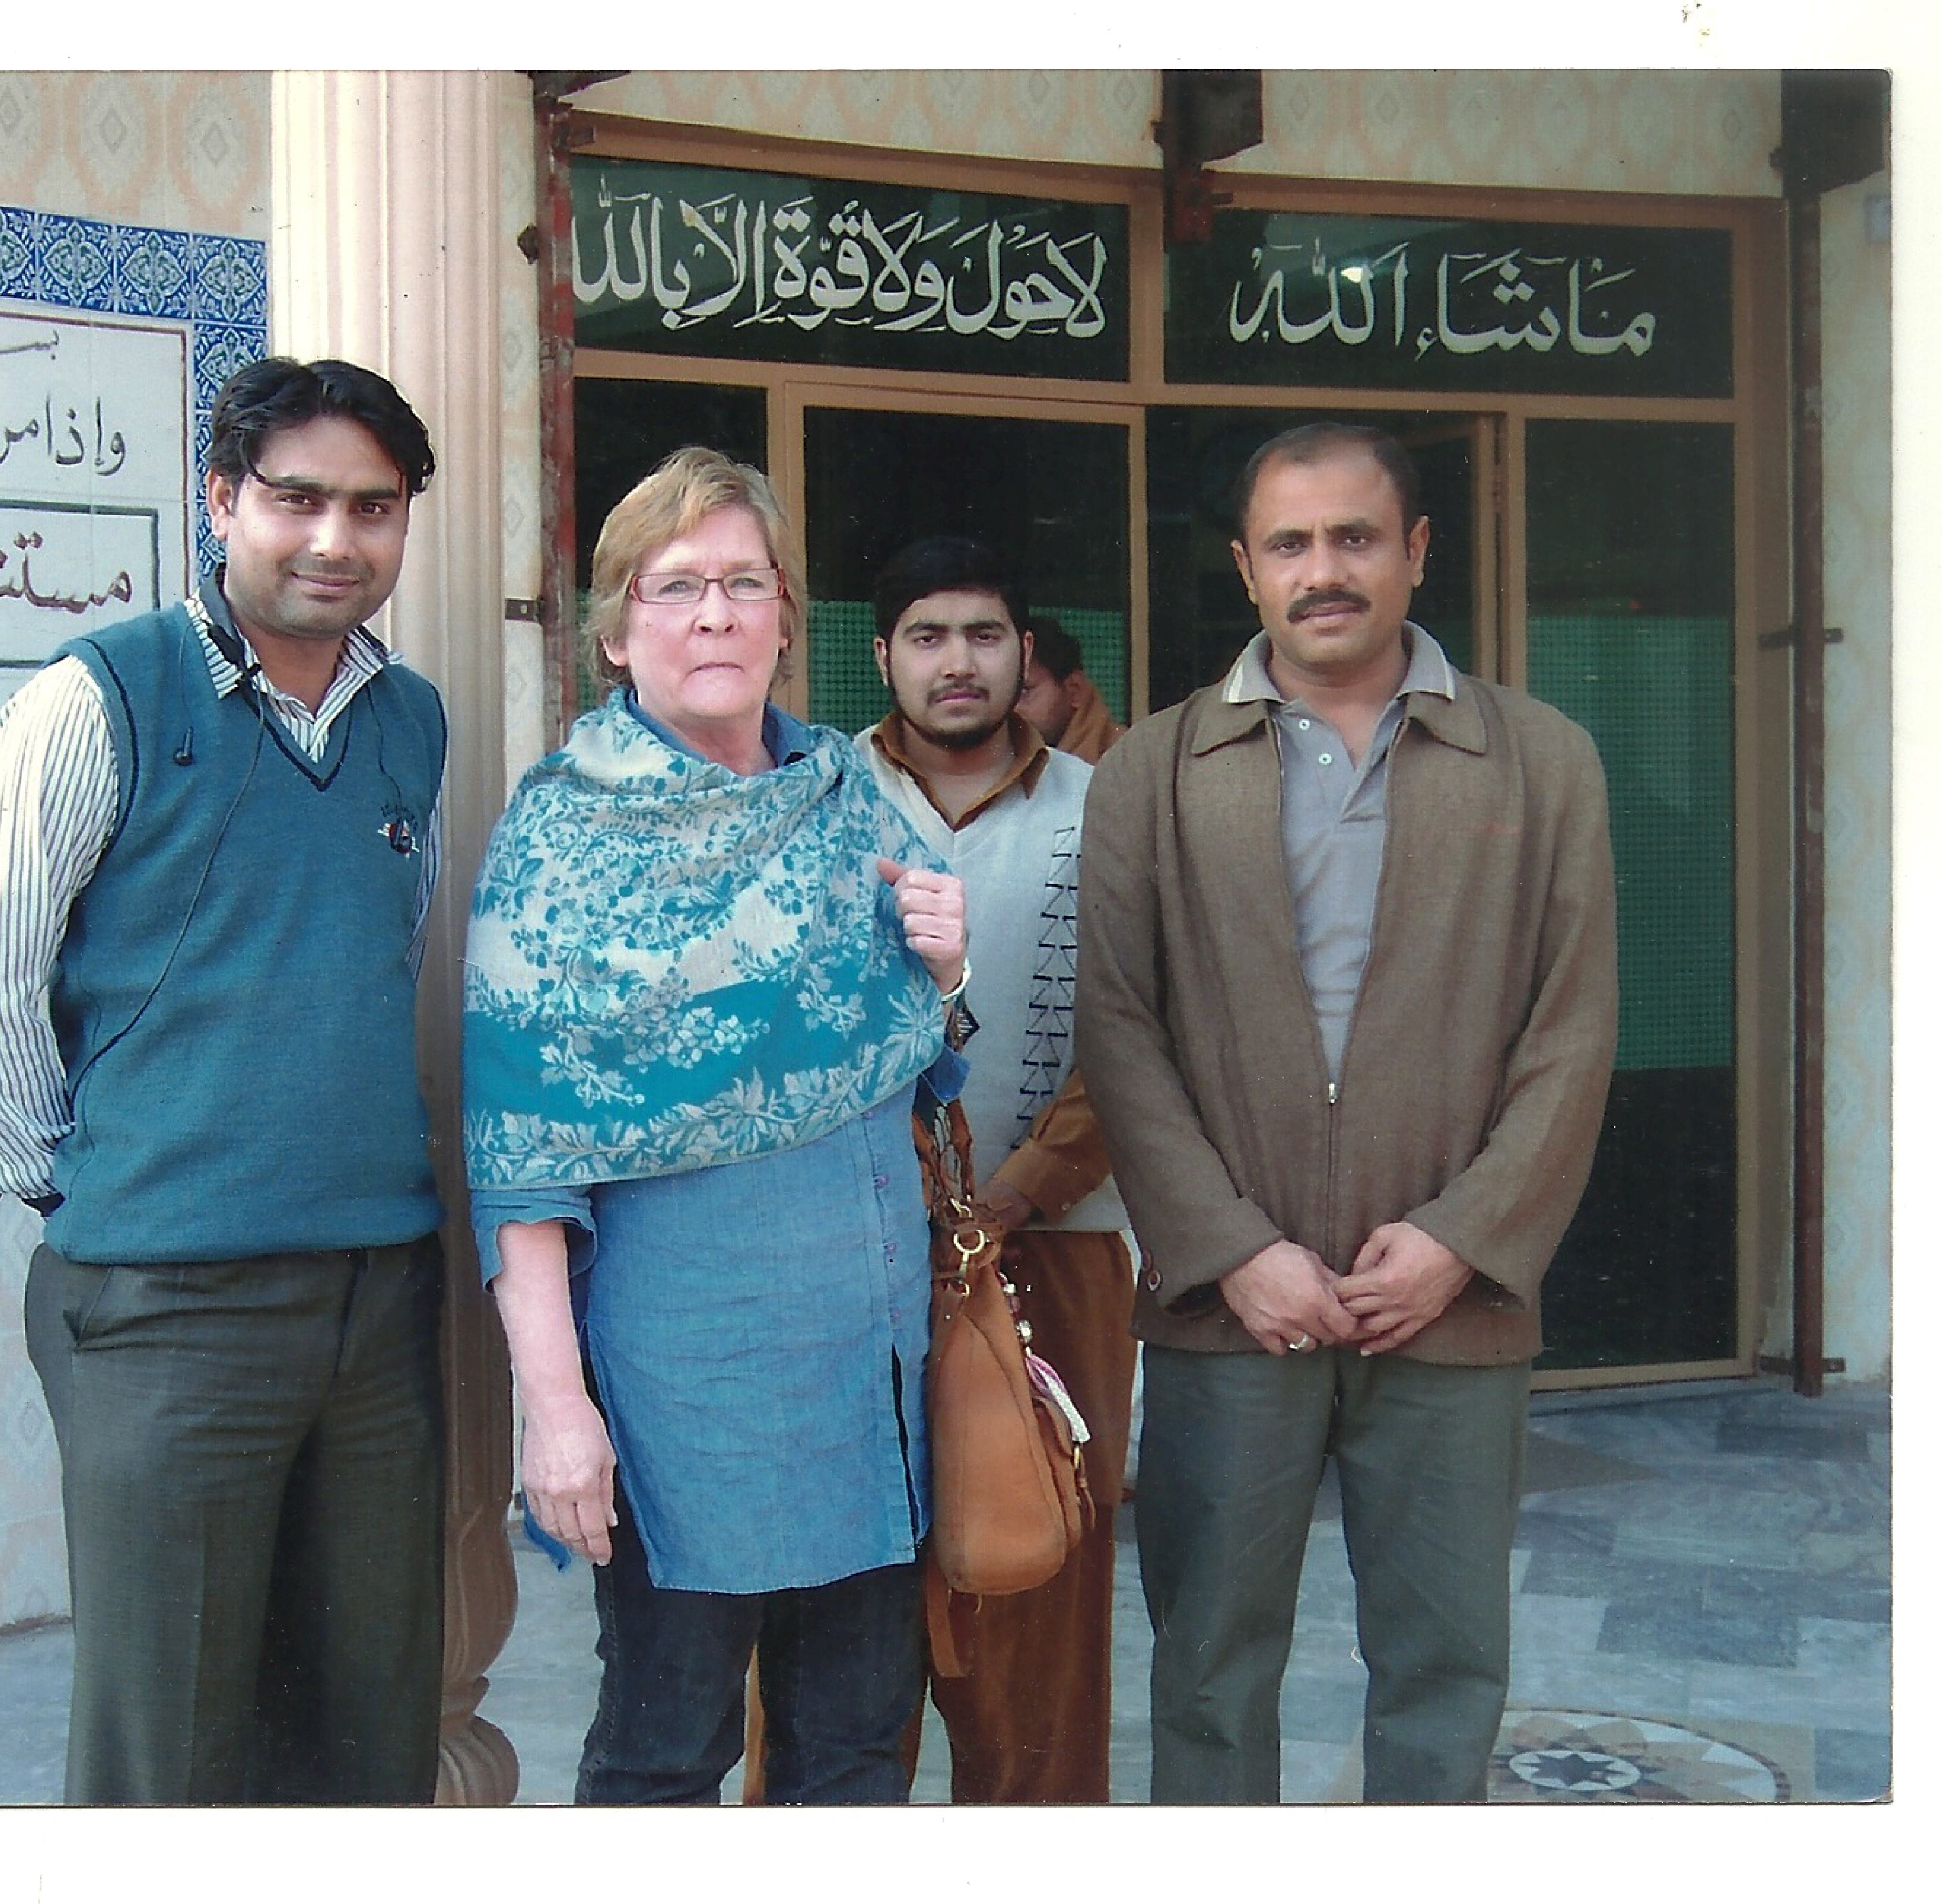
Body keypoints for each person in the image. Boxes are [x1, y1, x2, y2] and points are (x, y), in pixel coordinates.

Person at [0, 356, 448, 1805]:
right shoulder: (101, 696)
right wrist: (82, 1185)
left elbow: (389, 956)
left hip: (376, 1294)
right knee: (170, 1748)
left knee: (365, 1733)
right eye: (297, 498)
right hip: (166, 1305)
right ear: (220, 500)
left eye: (373, 507)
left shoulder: (411, 719)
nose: (334, 538)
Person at [1076, 420, 1617, 1803]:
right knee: (1207, 1672)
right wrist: (1230, 1249)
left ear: (1416, 551)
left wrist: (1458, 1239)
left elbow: (1570, 1033)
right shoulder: (1156, 770)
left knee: (1443, 1677)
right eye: (1290, 544)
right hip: (1229, 1310)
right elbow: (1118, 1030)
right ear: (1246, 569)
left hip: (1447, 1305)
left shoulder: (1540, 762)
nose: (1323, 571)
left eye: (1355, 537)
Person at [464, 446, 968, 1806]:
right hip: (683, 1398)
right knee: (665, 1758)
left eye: (745, 583)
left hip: (868, 1382)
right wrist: (555, 1412)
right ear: (616, 630)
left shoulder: (846, 795)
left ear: (786, 617)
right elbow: (520, 1162)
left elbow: (904, 1063)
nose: (713, 615)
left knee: (855, 1753)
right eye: (674, 585)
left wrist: (944, 965)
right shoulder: (560, 843)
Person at [852, 534, 1138, 1804]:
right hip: (853, 1254)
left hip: (1052, 1253)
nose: (956, 661)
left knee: (1038, 1593)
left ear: (1027, 654)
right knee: (835, 1608)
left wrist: (1015, 1189)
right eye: (927, 635)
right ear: (882, 655)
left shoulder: (1108, 807)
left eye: (983, 634)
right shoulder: (817, 798)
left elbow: (1138, 1030)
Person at [1012, 624, 1127, 763]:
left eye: (1024, 692)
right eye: (1009, 694)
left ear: (1075, 691)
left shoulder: (1128, 759)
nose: (1013, 709)